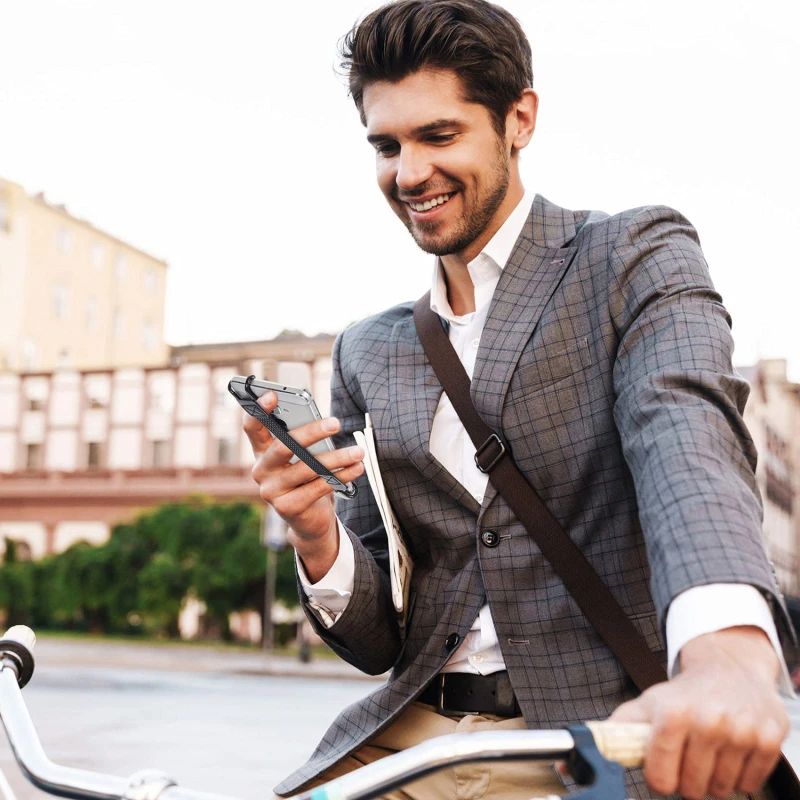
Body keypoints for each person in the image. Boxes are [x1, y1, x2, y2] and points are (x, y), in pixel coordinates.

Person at [244, 1, 794, 797]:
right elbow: (376, 642)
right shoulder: (368, 350)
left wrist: (726, 660)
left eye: (439, 136)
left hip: (587, 737)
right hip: (409, 738)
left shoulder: (631, 258)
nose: (408, 174)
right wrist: (316, 534)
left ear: (519, 120)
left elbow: (686, 442)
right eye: (387, 146)